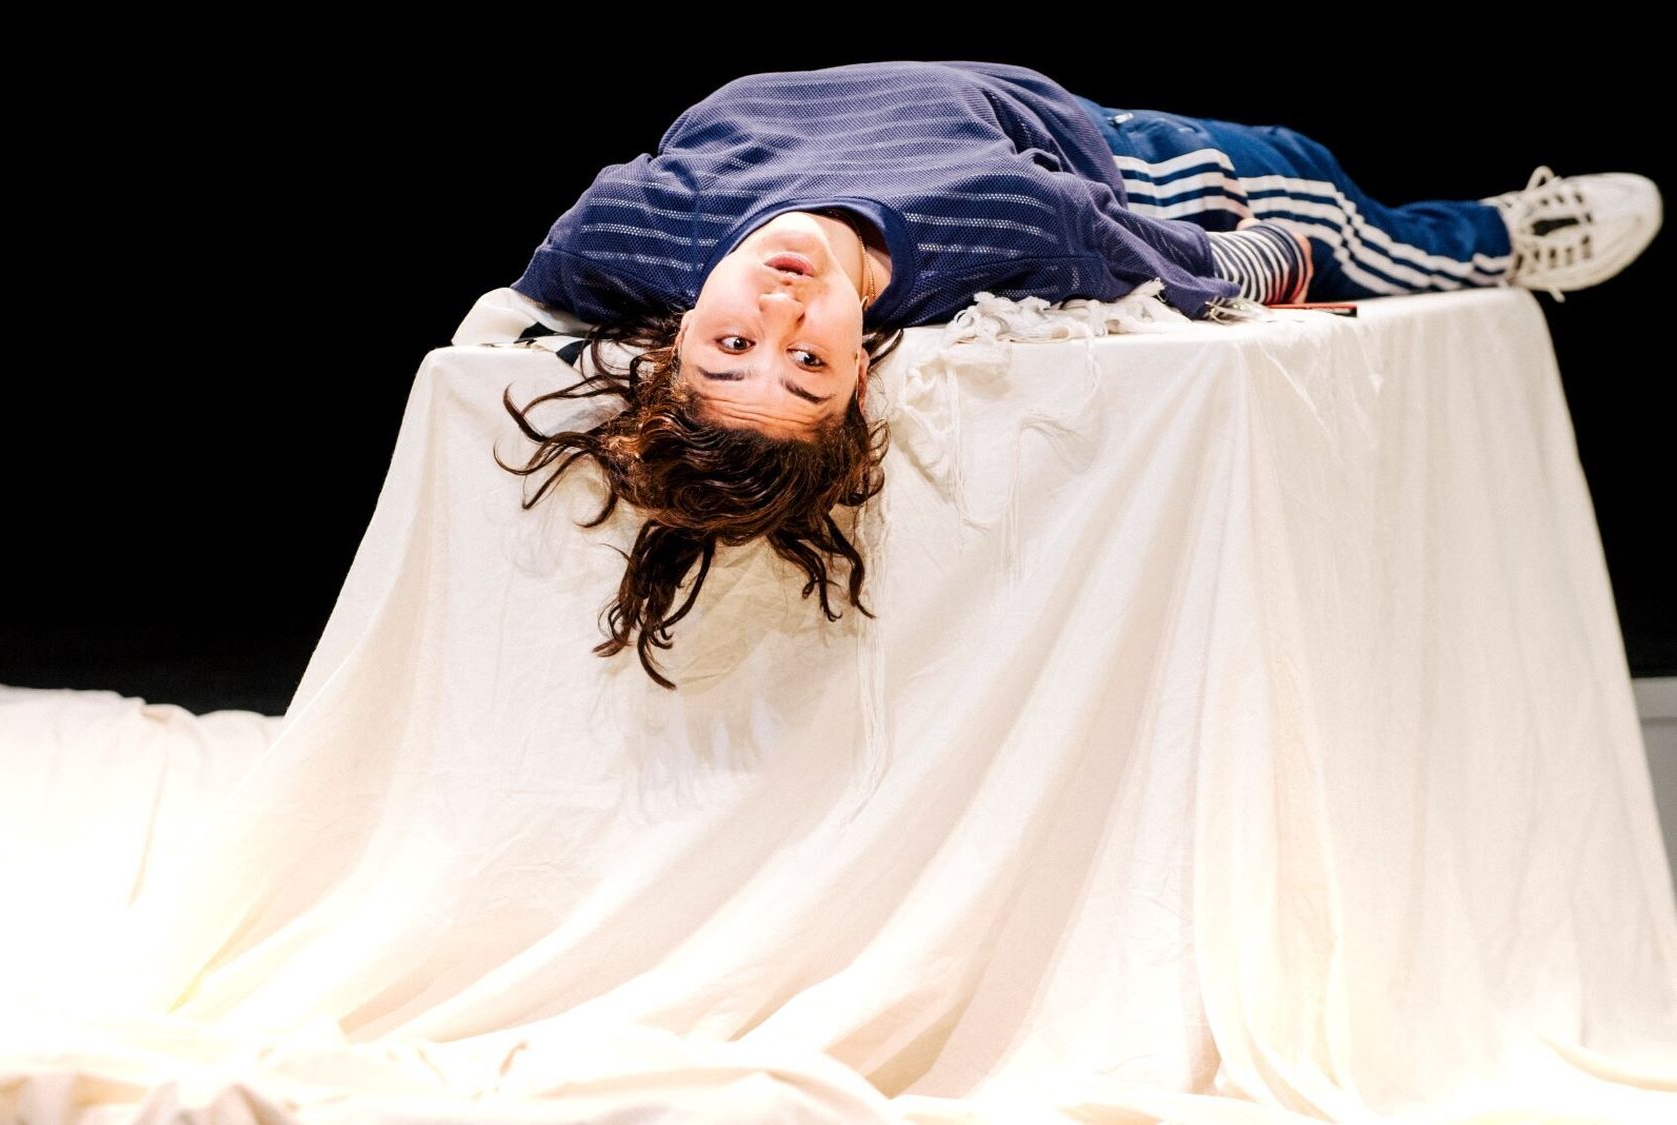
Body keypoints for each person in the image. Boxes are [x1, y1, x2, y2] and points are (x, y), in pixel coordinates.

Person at [493, 60, 1661, 690]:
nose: (780, 312)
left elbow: (506, 316)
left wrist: (566, 358)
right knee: (1307, 187)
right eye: (808, 362)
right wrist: (1274, 260)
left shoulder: (636, 228)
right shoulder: (1008, 227)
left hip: (988, 104)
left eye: (731, 347)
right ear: (861, 362)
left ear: (673, 335)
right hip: (1098, 159)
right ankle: (1491, 238)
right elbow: (1203, 266)